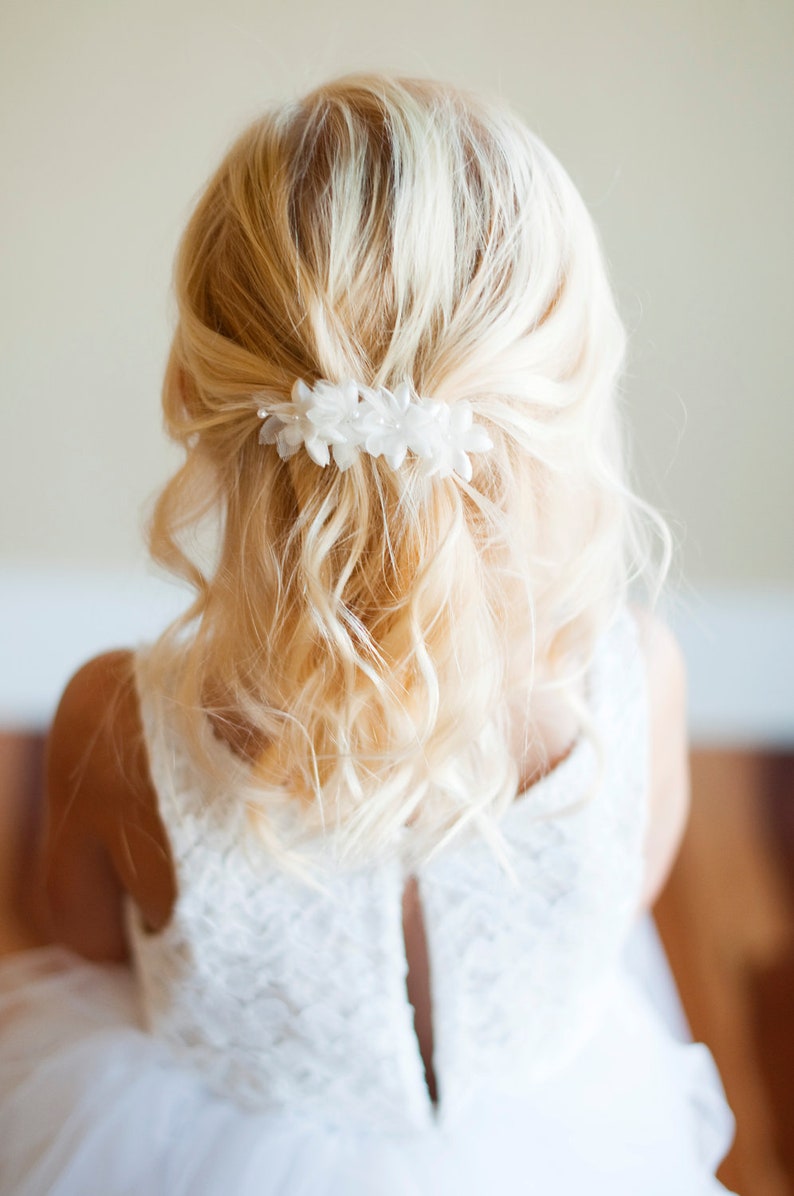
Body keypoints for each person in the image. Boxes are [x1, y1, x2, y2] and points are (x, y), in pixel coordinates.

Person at [0, 74, 735, 1194]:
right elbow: (618, 906)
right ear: (569, 375)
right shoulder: (634, 677)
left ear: (197, 385)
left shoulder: (117, 723)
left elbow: (82, 948)